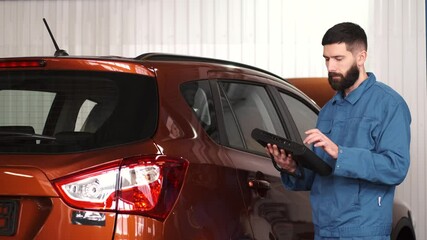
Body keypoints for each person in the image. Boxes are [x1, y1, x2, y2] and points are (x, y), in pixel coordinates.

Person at [267, 22, 411, 240]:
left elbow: (396, 167)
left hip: (363, 231)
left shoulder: (389, 105)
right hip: (324, 229)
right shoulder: (327, 111)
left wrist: (341, 153)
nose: (330, 67)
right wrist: (292, 168)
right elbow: (320, 173)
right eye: (327, 59)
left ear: (361, 57)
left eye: (338, 59)